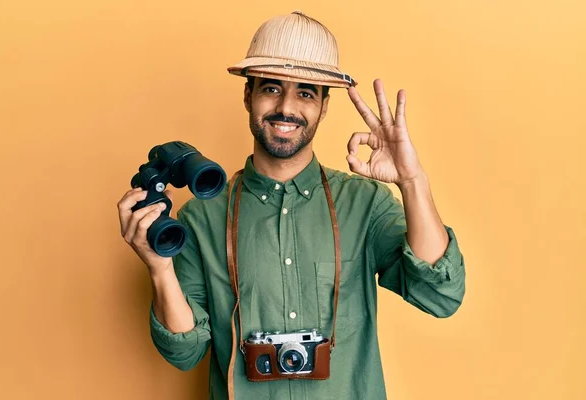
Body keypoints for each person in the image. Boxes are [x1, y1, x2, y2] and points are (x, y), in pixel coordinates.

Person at [117, 10, 466, 400]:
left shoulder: (363, 203)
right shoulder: (202, 217)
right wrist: (160, 267)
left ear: (323, 107)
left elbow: (441, 295)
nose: (287, 107)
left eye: (305, 92)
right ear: (248, 95)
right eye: (270, 88)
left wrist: (412, 181)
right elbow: (185, 351)